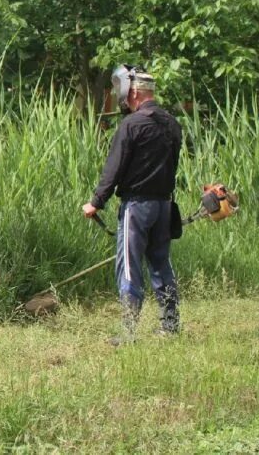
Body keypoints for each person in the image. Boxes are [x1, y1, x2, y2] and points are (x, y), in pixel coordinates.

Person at [82, 65, 182, 345]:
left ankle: (127, 333)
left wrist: (95, 203)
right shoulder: (172, 123)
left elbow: (113, 169)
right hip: (164, 206)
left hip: (137, 207)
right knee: (162, 265)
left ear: (134, 92)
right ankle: (170, 326)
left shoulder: (132, 125)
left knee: (128, 267)